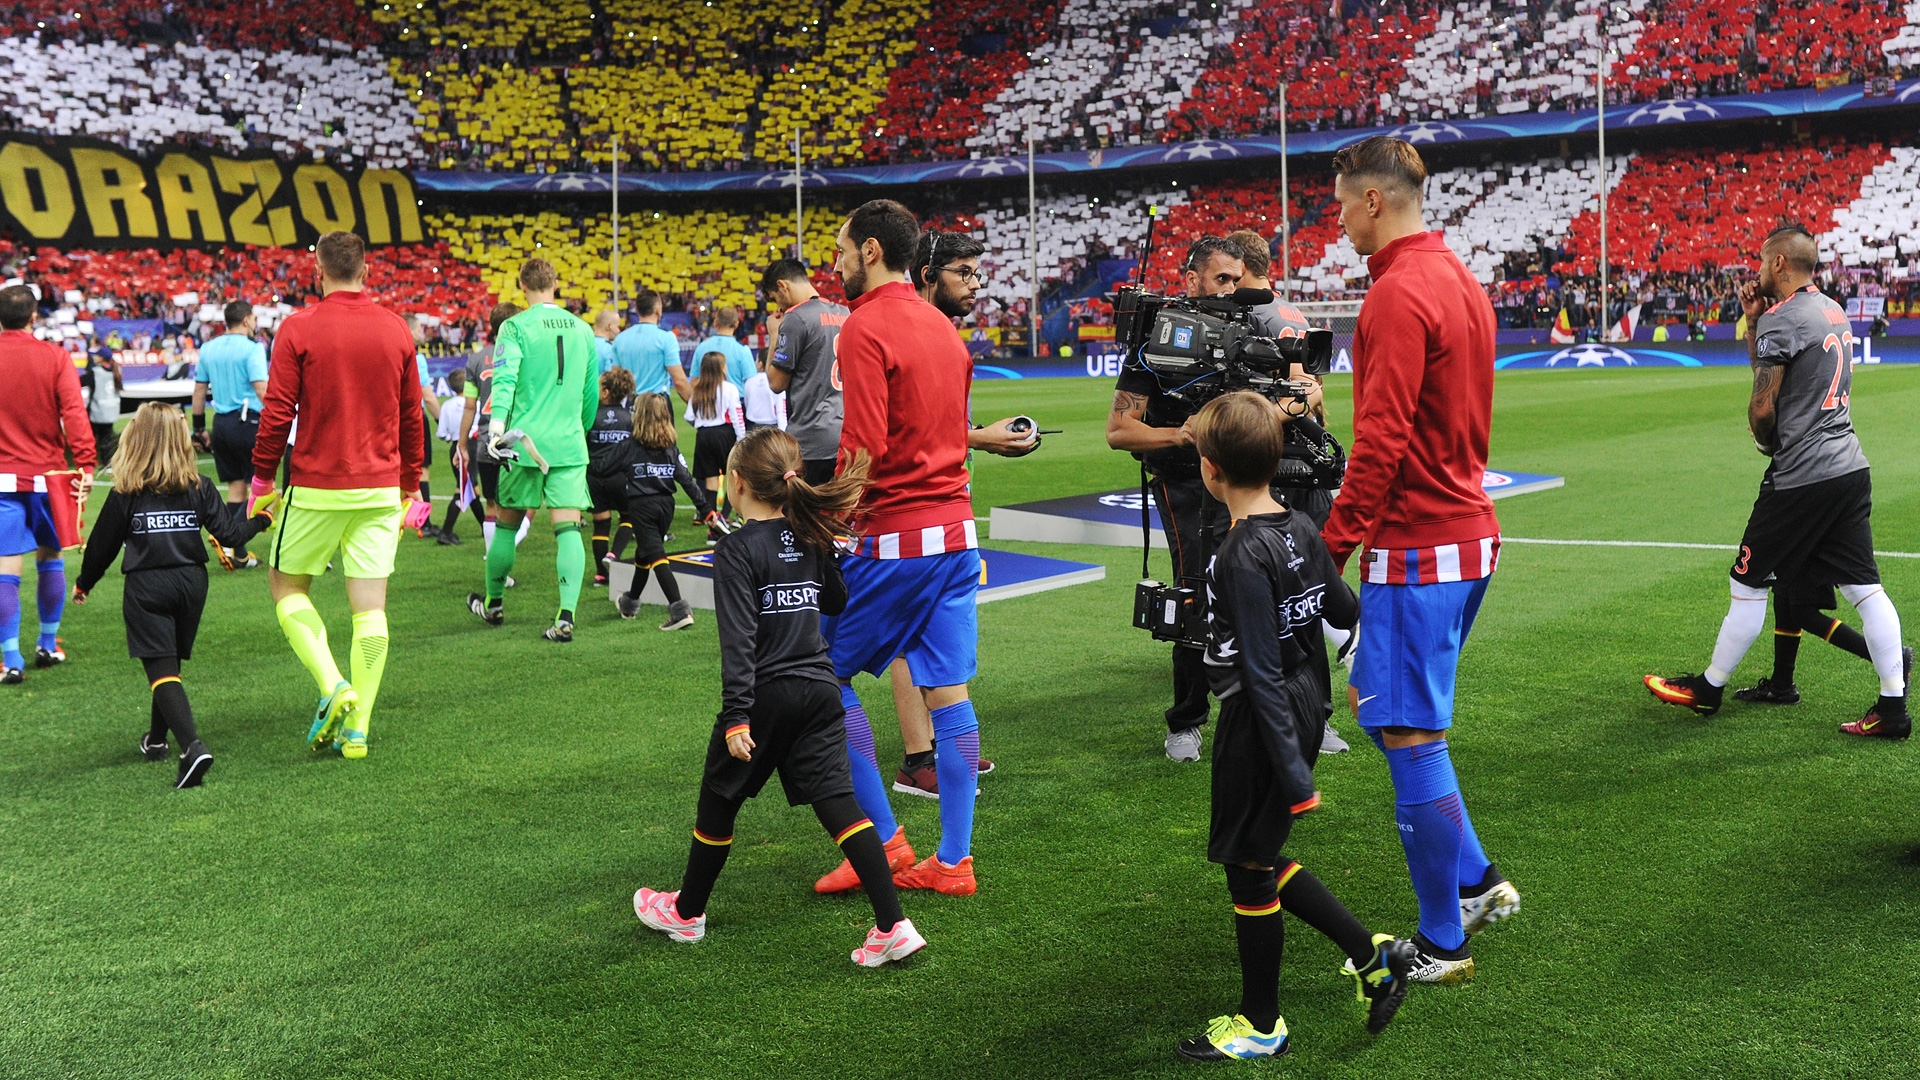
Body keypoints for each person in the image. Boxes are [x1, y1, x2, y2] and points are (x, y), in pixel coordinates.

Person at [1322, 136, 1518, 983]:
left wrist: (1324, 549)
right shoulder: (1457, 278)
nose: (1336, 222)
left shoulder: (1398, 294)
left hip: (1420, 546)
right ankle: (1477, 881)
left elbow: (1382, 445)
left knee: (1409, 733)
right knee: (1418, 726)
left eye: (1338, 203)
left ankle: (1443, 942)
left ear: (1373, 199)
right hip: (1469, 531)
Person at [1176, 392, 1413, 1061]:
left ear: (1211, 471)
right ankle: (1371, 956)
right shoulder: (1302, 528)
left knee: (1247, 867)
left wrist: (1290, 769)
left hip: (1264, 719)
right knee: (1256, 853)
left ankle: (1262, 1025)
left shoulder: (1239, 554)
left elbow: (1255, 670)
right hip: (1307, 703)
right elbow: (1343, 606)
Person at [632, 428, 925, 966]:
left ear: (737, 484)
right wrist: (823, 549)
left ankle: (687, 913)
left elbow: (739, 638)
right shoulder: (806, 535)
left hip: (766, 695)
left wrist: (737, 715)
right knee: (840, 804)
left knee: (719, 801)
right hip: (819, 691)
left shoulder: (738, 548)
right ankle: (894, 925)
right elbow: (835, 601)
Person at [1646, 224, 1910, 739]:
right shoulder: (1832, 309)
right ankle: (1892, 708)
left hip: (1801, 477)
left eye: (1764, 262)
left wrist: (1767, 441)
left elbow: (1763, 402)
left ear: (1782, 266)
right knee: (1866, 589)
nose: (1759, 270)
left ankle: (1708, 689)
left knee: (1745, 585)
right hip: (1849, 468)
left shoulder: (1783, 317)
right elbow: (1778, 368)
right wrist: (1751, 324)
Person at [813, 200, 984, 898]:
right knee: (949, 690)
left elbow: (863, 448)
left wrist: (823, 519)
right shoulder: (944, 329)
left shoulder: (864, 327)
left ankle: (879, 846)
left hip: (896, 539)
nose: (837, 262)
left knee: (821, 682)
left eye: (843, 249)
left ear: (873, 250)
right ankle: (954, 861)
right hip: (958, 533)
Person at [251, 230, 424, 761]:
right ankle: (359, 728)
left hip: (317, 485)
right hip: (378, 488)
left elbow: (278, 411)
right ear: (366, 271)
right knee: (369, 609)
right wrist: (411, 484)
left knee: (286, 588)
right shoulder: (396, 329)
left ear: (318, 272)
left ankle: (333, 685)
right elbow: (411, 415)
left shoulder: (299, 328)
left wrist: (262, 479)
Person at [883, 229, 1034, 797]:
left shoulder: (938, 332)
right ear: (927, 273)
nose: (975, 285)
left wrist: (975, 437)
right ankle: (918, 759)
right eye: (963, 273)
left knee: (928, 634)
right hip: (904, 508)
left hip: (939, 503)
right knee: (901, 634)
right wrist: (982, 437)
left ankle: (933, 756)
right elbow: (904, 430)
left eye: (977, 273)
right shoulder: (908, 331)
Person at [71, 404, 277, 789]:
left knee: (161, 669)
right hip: (192, 584)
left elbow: (101, 547)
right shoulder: (199, 486)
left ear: (137, 438)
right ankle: (156, 740)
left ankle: (192, 747)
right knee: (167, 667)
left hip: (147, 586)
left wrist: (85, 583)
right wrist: (263, 520)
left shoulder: (126, 491)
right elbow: (231, 536)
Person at [1107, 235, 1246, 763]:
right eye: (1221, 279)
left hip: (1243, 479)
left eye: (1237, 279)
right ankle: (1186, 721)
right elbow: (1120, 430)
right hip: (1185, 484)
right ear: (1191, 279)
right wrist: (1182, 436)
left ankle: (1287, 707)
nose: (1232, 289)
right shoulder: (1154, 345)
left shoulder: (1244, 330)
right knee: (1197, 593)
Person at [1224, 228, 1353, 757]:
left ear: (1242, 267)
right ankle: (1337, 647)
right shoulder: (1291, 311)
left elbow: (1298, 386)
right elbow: (1313, 387)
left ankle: (1303, 702)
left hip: (1273, 459)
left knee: (1274, 581)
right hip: (1303, 453)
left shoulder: (1257, 316)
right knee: (1303, 565)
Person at [467, 258, 600, 643]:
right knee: (568, 528)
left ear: (522, 285)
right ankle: (566, 617)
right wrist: (579, 430)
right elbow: (590, 393)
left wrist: (496, 431)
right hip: (567, 443)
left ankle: (493, 603)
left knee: (506, 524)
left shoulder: (515, 326)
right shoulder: (583, 330)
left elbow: (504, 381)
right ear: (555, 284)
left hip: (523, 445)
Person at [0, 283, 96, 682]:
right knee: (50, 558)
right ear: (34, 316)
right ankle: (48, 643)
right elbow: (74, 413)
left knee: (6, 568)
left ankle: (9, 659)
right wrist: (86, 464)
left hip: (2, 479)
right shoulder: (55, 357)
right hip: (48, 477)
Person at [610, 394, 719, 630]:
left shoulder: (629, 446)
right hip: (665, 507)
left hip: (641, 506)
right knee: (644, 554)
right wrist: (707, 511)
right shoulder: (670, 447)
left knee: (657, 555)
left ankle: (679, 609)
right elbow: (687, 481)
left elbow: (603, 466)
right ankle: (629, 604)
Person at [448, 302, 532, 562]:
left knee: (492, 505)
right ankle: (499, 555)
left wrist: (462, 444)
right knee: (526, 502)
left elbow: (470, 407)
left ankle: (492, 558)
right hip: (517, 439)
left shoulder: (476, 358)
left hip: (487, 441)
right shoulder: (525, 355)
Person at [191, 301, 271, 567]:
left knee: (236, 488)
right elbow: (261, 389)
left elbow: (200, 390)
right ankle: (227, 538)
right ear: (247, 320)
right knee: (263, 489)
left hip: (222, 424)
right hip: (249, 422)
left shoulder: (209, 348)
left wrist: (199, 427)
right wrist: (281, 419)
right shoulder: (252, 349)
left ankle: (238, 555)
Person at [759, 260, 847, 485]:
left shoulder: (796, 318)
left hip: (811, 438)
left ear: (783, 286)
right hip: (845, 435)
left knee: (804, 517)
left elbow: (776, 383)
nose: (778, 307)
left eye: (775, 298)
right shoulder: (844, 313)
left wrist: (774, 334)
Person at [685, 350, 746, 539]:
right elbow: (737, 417)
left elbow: (689, 417)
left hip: (703, 436)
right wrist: (742, 439)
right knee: (732, 476)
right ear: (721, 368)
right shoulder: (729, 388)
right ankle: (725, 518)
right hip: (724, 434)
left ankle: (713, 528)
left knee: (710, 481)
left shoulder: (698, 389)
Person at [588, 366, 637, 584]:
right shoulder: (629, 418)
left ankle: (600, 574)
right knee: (628, 517)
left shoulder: (590, 416)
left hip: (594, 478)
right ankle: (614, 554)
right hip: (620, 477)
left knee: (601, 523)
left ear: (606, 392)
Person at [610, 289, 691, 404]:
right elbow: (679, 381)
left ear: (637, 310)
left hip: (631, 404)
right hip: (657, 404)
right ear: (658, 309)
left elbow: (615, 378)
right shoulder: (666, 338)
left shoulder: (620, 339)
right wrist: (695, 409)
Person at [403, 314, 443, 540]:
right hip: (414, 417)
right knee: (422, 470)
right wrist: (440, 420)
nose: (421, 334)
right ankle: (424, 523)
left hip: (392, 417)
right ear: (410, 330)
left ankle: (395, 520)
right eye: (418, 330)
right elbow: (427, 395)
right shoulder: (417, 359)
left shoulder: (393, 355)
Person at [692, 306, 755, 390]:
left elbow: (694, 382)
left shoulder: (701, 347)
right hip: (736, 400)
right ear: (736, 324)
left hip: (708, 400)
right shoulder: (742, 349)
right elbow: (752, 382)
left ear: (715, 323)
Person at [85, 344, 121, 467]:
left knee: (90, 438)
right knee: (107, 438)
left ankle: (88, 461)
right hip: (110, 410)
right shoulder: (116, 371)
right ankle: (108, 463)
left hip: (97, 411)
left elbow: (80, 381)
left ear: (101, 358)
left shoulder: (95, 372)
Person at [742, 355, 785, 432]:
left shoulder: (749, 381)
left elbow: (747, 403)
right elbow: (781, 411)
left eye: (756, 360)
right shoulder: (777, 382)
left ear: (760, 364)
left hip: (753, 425)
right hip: (772, 425)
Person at [591, 309, 619, 374]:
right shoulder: (609, 349)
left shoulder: (586, 344)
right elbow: (610, 377)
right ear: (608, 326)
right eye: (617, 327)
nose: (618, 331)